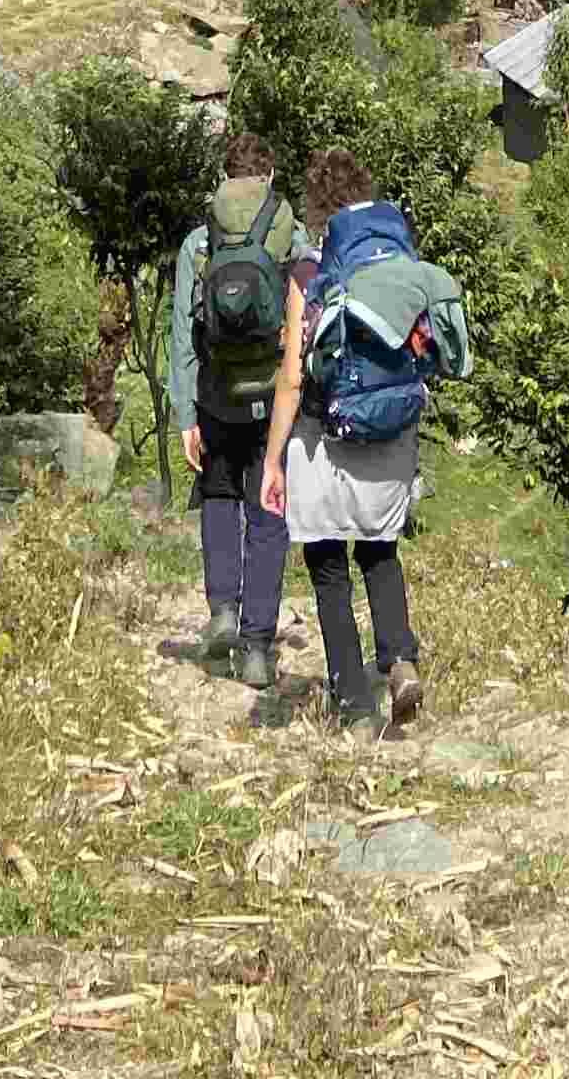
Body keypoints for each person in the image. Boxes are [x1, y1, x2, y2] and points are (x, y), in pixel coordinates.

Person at [261, 144, 425, 737]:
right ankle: (399, 660)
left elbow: (291, 377)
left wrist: (273, 460)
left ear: (316, 207)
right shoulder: (397, 262)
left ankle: (355, 706)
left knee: (327, 564)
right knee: (380, 550)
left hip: (322, 435)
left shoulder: (309, 273)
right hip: (391, 429)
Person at [169, 129, 299, 691]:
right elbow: (303, 328)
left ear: (225, 179)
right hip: (273, 400)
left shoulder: (198, 243)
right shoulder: (291, 237)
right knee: (267, 513)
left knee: (219, 496)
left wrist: (185, 414)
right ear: (268, 177)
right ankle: (258, 649)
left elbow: (183, 334)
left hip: (217, 395)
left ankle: (223, 611)